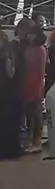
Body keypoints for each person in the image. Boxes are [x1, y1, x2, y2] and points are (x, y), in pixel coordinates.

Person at [17, 19, 47, 154]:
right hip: (26, 83)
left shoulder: (40, 50)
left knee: (36, 113)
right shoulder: (26, 48)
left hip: (35, 84)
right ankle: (30, 140)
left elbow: (41, 72)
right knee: (30, 113)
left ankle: (36, 141)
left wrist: (39, 89)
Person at [0, 28, 22, 159]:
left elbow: (10, 73)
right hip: (9, 92)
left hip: (7, 93)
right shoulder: (9, 52)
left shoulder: (7, 55)